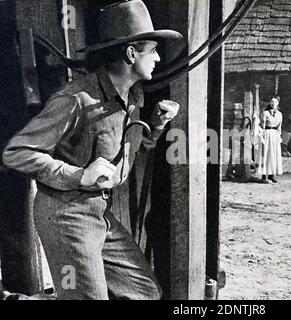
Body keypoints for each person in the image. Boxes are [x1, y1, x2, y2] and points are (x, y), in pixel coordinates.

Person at [1, 0, 182, 300]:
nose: (159, 58)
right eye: (153, 50)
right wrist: (78, 175)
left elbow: (129, 154)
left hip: (98, 213)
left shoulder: (132, 98)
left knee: (144, 293)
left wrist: (157, 125)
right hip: (64, 215)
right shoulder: (77, 99)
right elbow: (17, 152)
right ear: (131, 53)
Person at [257, 96, 283, 183]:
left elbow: (279, 127)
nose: (273, 103)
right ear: (269, 103)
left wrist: (279, 136)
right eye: (271, 102)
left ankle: (272, 175)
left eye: (275, 102)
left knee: (274, 154)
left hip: (275, 135)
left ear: (278, 103)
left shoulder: (279, 114)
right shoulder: (265, 113)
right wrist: (262, 136)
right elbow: (262, 126)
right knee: (266, 154)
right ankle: (264, 175)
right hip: (267, 134)